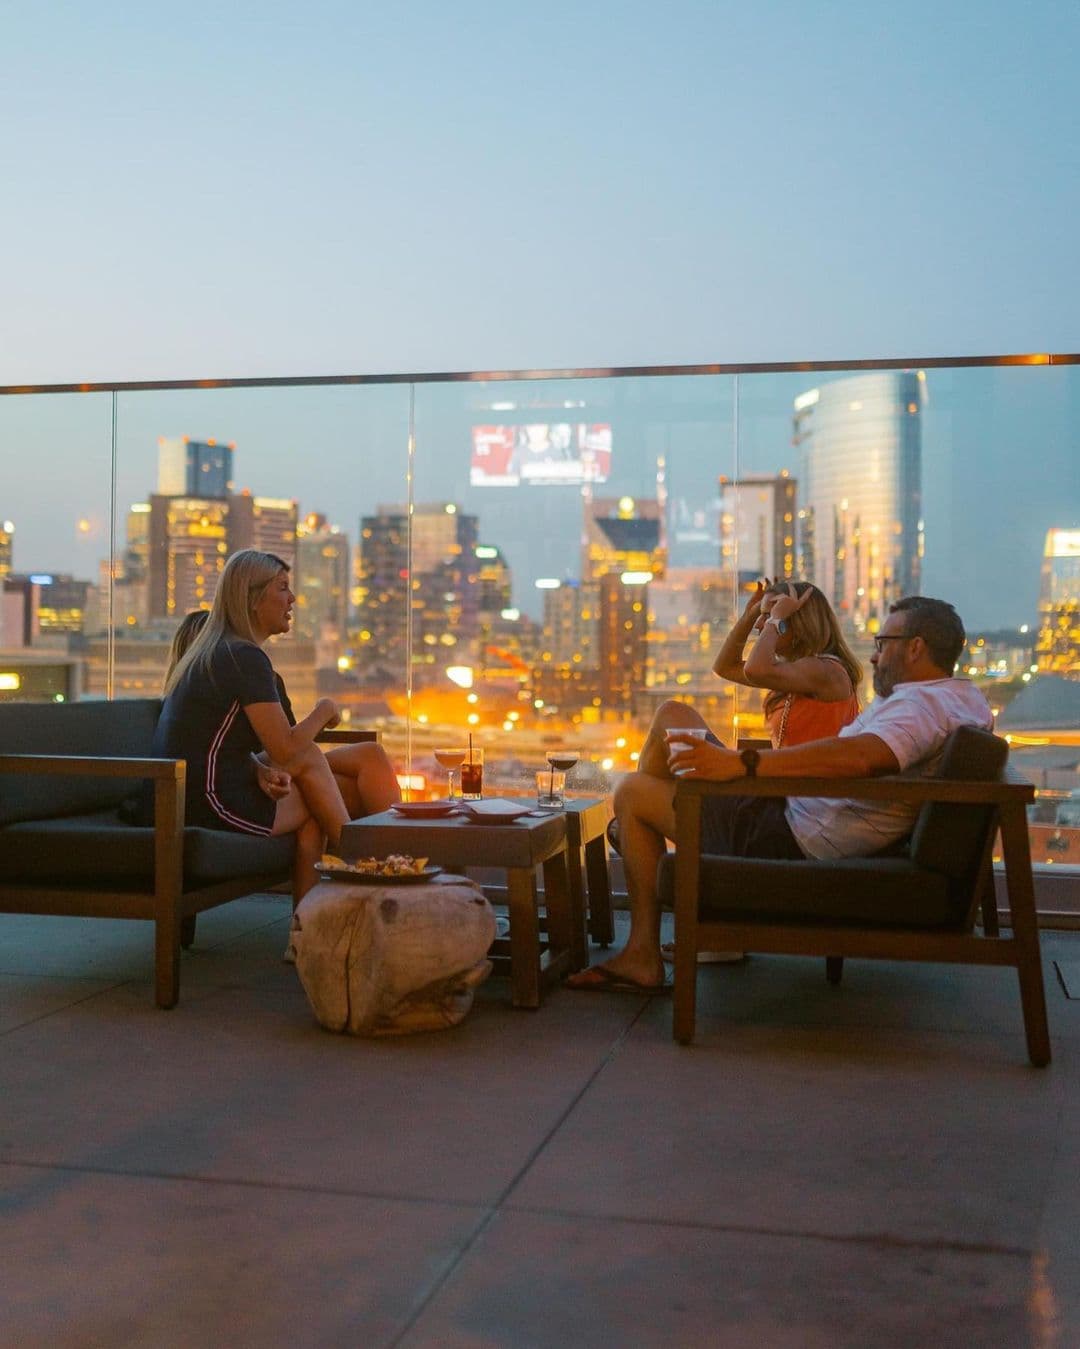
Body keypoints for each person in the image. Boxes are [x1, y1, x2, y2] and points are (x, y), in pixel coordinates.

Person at [567, 596, 993, 994]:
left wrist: (745, 765)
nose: (875, 653)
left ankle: (646, 935)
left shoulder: (916, 706)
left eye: (884, 641)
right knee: (671, 718)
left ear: (915, 647)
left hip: (793, 836)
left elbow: (863, 757)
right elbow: (734, 668)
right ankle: (656, 845)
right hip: (792, 808)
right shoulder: (951, 698)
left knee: (634, 792)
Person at [615, 578, 862, 962]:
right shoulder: (798, 673)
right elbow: (725, 666)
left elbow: (755, 666)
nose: (766, 626)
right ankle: (654, 823)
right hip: (773, 805)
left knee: (641, 780)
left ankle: (649, 825)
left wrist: (774, 616)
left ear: (801, 622)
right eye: (764, 618)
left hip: (784, 819)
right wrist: (750, 616)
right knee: (672, 715)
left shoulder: (827, 671)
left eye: (775, 619)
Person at [148, 551, 399, 913]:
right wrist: (324, 710)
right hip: (212, 803)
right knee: (313, 767)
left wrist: (258, 769)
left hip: (210, 789)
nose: (292, 599)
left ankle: (306, 929)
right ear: (251, 599)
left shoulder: (222, 653)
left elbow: (215, 742)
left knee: (365, 758)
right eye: (282, 588)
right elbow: (287, 750)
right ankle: (379, 876)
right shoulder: (242, 657)